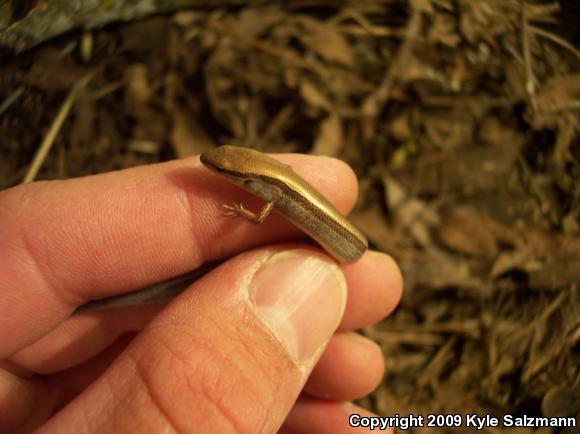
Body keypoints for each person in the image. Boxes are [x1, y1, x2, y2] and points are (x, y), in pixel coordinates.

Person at [0, 152, 402, 433]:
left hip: (346, 245)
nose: (216, 173)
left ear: (252, 178)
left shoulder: (271, 191)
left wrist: (247, 213)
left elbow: (263, 210)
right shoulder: (271, 182)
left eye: (226, 173)